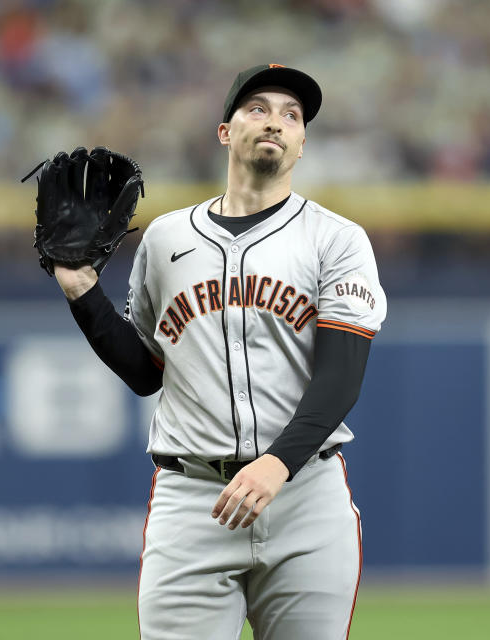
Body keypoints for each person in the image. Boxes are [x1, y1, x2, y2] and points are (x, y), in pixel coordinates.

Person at [54, 64, 387, 639]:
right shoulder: (166, 238)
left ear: (303, 142)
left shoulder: (337, 239)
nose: (276, 122)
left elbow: (341, 379)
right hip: (192, 498)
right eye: (258, 108)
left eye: (292, 115)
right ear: (225, 131)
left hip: (304, 496)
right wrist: (83, 294)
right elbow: (145, 372)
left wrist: (277, 464)